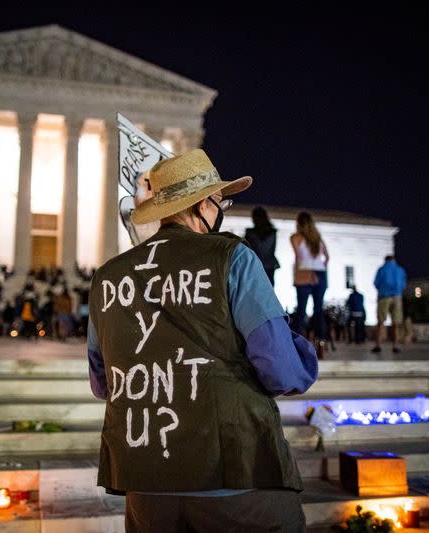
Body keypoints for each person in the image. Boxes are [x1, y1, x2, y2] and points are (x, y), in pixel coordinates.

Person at [88, 149, 317, 532]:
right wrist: (305, 354)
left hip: (146, 482)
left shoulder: (108, 277)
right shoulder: (233, 258)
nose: (221, 208)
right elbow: (282, 370)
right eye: (220, 200)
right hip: (235, 474)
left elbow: (103, 383)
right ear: (202, 204)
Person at [290, 211, 329, 356]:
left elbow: (299, 257)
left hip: (304, 274)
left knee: (301, 310)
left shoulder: (295, 237)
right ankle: (321, 344)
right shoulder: (318, 239)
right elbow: (326, 257)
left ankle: (299, 345)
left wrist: (306, 272)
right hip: (320, 274)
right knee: (318, 310)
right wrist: (319, 272)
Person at [371, 255, 407, 354]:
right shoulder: (400, 269)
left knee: (381, 322)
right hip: (397, 297)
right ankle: (395, 345)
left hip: (384, 296)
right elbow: (403, 284)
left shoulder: (382, 269)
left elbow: (376, 283)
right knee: (395, 323)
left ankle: (378, 345)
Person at [244, 206, 280, 285]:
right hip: (269, 265)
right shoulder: (273, 232)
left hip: (254, 265)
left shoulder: (250, 233)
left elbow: (246, 250)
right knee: (269, 291)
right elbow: (270, 249)